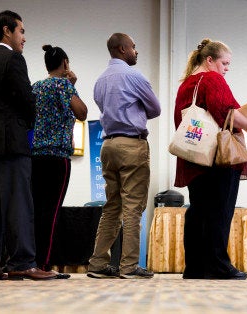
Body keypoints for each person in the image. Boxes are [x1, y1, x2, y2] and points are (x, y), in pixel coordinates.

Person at [175, 38, 247, 280]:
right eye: (224, 63)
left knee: (198, 211)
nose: (227, 68)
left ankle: (195, 266)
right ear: (209, 60)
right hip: (218, 158)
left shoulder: (185, 85)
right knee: (219, 211)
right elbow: (228, 112)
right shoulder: (213, 79)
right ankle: (218, 265)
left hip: (194, 156)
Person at [0, 10, 55, 281]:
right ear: (7, 31)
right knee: (19, 205)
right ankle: (22, 262)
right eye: (21, 31)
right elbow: (27, 100)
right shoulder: (13, 59)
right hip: (11, 144)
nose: (24, 38)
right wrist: (28, 128)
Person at [87, 33, 160, 279]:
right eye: (133, 47)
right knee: (132, 208)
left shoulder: (100, 80)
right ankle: (129, 266)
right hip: (132, 144)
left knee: (111, 207)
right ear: (122, 49)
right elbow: (155, 108)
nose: (136, 51)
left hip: (108, 145)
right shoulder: (134, 75)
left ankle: (97, 263)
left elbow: (102, 107)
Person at [31, 45, 87, 276]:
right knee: (51, 212)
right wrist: (72, 85)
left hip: (35, 156)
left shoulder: (36, 86)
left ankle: (30, 260)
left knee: (35, 210)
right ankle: (44, 264)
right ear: (65, 63)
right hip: (57, 157)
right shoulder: (64, 85)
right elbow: (82, 112)